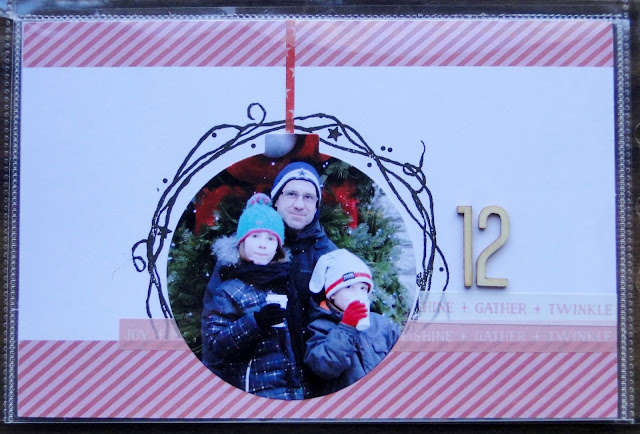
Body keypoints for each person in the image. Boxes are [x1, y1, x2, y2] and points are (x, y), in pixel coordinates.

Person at [202, 161, 337, 396]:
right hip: (253, 382)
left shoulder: (329, 256)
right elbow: (214, 330)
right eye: (291, 194)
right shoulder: (242, 250)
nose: (299, 204)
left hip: (307, 383)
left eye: (308, 197)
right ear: (276, 199)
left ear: (317, 205)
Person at [201, 193, 304, 400]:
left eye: (270, 238)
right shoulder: (228, 290)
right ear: (242, 242)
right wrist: (255, 322)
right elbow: (216, 347)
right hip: (254, 393)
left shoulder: (283, 282)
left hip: (290, 391)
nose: (263, 244)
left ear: (278, 247)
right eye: (255, 236)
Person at [304, 249, 400, 395]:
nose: (357, 294)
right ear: (332, 294)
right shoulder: (319, 326)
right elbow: (324, 366)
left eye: (363, 288)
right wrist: (347, 327)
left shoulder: (381, 324)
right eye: (349, 287)